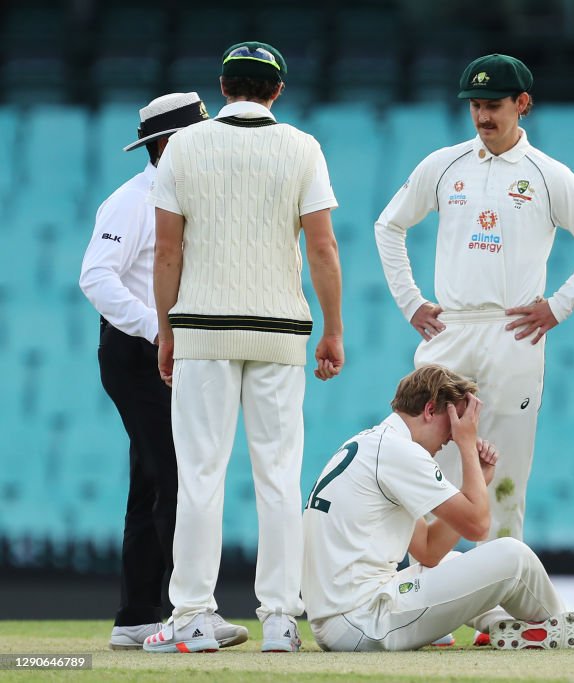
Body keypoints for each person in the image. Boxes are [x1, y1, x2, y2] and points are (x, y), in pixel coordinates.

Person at [144, 42, 345, 653]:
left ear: (223, 86)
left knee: (200, 474)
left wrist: (167, 328)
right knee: (280, 477)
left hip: (203, 331)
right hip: (279, 333)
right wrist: (333, 329)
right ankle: (281, 619)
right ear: (276, 91)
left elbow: (168, 251)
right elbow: (322, 248)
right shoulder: (302, 147)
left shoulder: (184, 144)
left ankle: (193, 615)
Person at [374, 55, 574, 552]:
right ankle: (425, 589)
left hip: (514, 333)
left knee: (505, 467)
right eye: (476, 106)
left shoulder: (547, 175)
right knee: (425, 461)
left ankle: (500, 599)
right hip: (450, 330)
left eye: (494, 106)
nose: (484, 117)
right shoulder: (444, 165)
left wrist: (560, 305)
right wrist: (410, 302)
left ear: (522, 104)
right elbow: (389, 225)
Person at [80, 92, 248, 651]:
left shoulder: (182, 194)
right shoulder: (132, 201)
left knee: (152, 480)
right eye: (195, 137)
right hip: (136, 354)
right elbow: (96, 277)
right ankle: (189, 613)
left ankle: (136, 616)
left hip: (164, 352)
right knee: (178, 473)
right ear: (165, 144)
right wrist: (157, 329)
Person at [301, 364, 574, 651]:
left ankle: (513, 627)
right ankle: (563, 626)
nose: (452, 437)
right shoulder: (400, 452)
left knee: (450, 561)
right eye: (454, 422)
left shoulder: (375, 444)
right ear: (430, 410)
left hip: (340, 620)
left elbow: (429, 550)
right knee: (514, 556)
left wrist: (478, 481)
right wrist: (469, 446)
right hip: (363, 620)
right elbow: (478, 526)